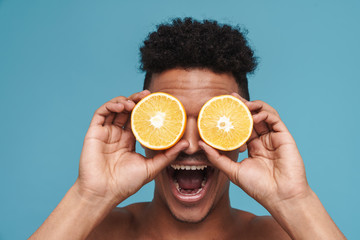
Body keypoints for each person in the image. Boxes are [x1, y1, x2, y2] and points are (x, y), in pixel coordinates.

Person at [30, 18, 345, 240]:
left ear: (245, 132)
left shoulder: (284, 236)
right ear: (142, 125)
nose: (192, 144)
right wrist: (88, 197)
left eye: (213, 123)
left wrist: (295, 201)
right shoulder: (88, 233)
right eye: (173, 120)